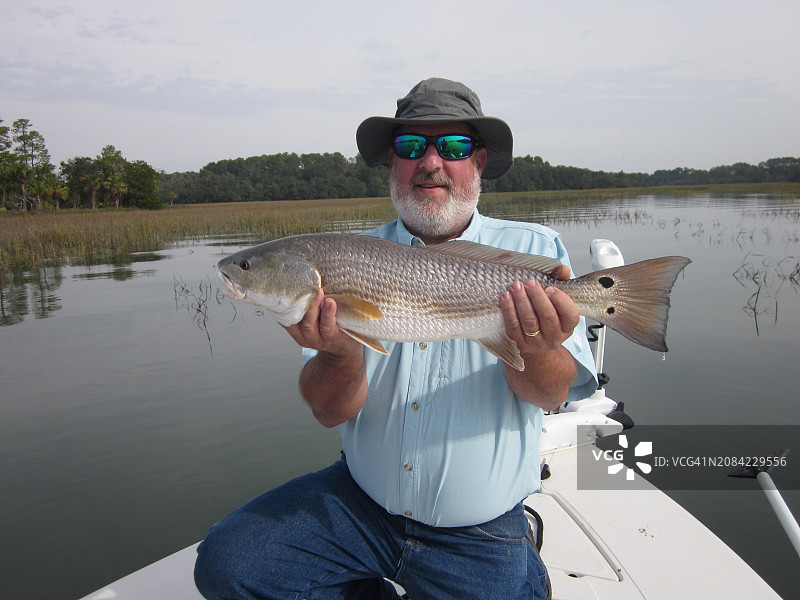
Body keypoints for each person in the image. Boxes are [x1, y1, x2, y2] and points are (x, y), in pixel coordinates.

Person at [194, 78, 597, 600]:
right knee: (229, 565)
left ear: (477, 163)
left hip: (478, 533)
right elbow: (329, 412)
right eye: (411, 147)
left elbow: (552, 395)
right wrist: (339, 352)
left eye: (452, 146)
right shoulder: (346, 258)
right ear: (392, 164)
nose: (430, 162)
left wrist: (537, 345)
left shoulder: (533, 251)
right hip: (361, 507)